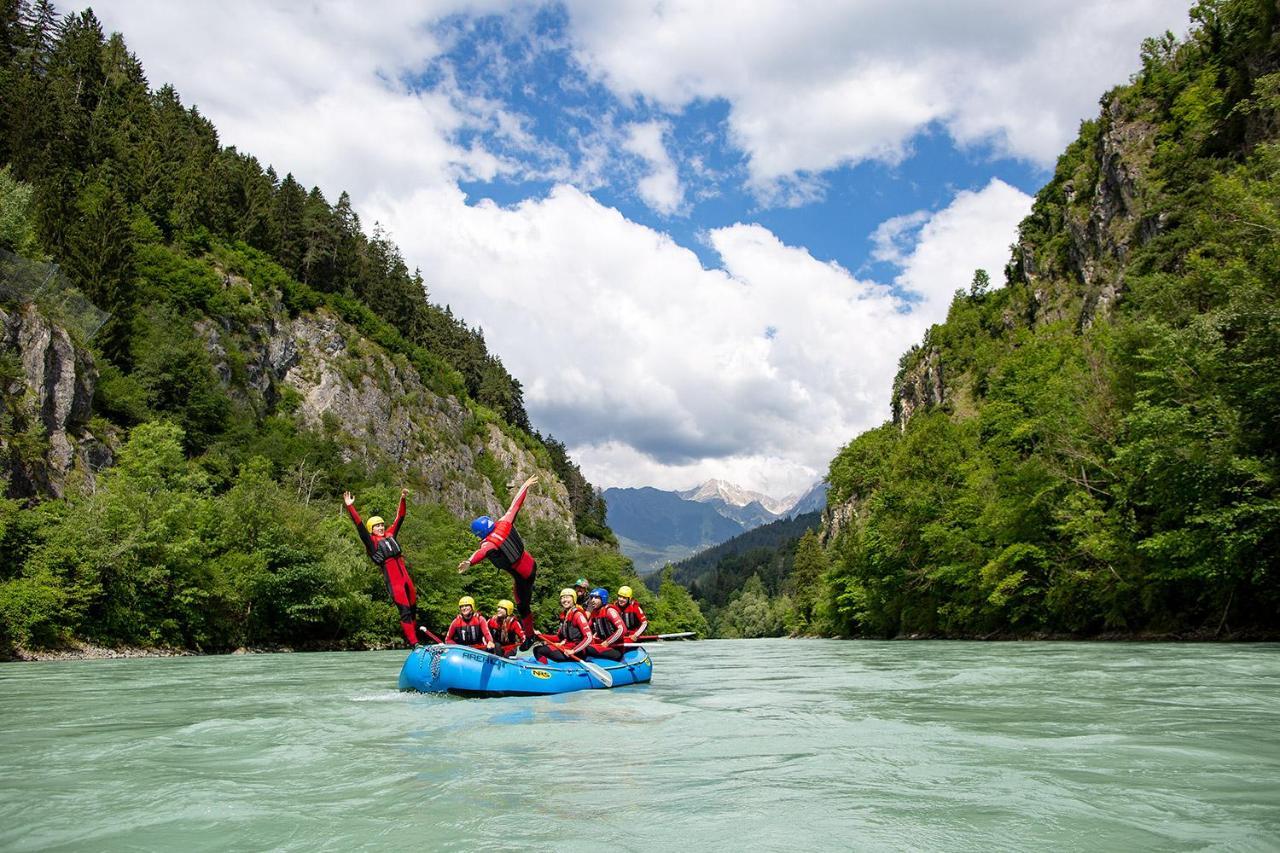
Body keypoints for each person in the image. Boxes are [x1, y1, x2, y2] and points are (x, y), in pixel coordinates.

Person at [458, 475, 540, 644]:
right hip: (532, 566)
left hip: (522, 578)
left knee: (522, 607)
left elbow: (481, 553)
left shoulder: (490, 543)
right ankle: (529, 633)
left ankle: (530, 636)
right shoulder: (504, 522)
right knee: (521, 600)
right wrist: (525, 486)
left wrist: (469, 562)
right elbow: (515, 505)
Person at [344, 488, 431, 646]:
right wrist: (350, 506)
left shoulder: (390, 535)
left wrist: (402, 498)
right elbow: (360, 527)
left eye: (382, 525)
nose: (381, 527)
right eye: (377, 526)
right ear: (372, 529)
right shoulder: (372, 543)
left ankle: (416, 639)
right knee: (404, 611)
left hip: (406, 578)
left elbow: (400, 517)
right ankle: (414, 643)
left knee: (413, 609)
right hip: (394, 582)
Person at [531, 589, 592, 663]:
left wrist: (573, 651)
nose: (565, 600)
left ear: (574, 599)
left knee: (539, 650)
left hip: (577, 652)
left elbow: (589, 637)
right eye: (563, 598)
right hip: (567, 647)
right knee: (537, 648)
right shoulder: (564, 616)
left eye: (567, 597)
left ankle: (546, 671)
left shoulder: (578, 615)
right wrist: (541, 635)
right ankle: (545, 668)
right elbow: (558, 637)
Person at [582, 587, 626, 661]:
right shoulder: (595, 612)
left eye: (596, 598)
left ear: (603, 599)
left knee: (586, 648)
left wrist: (607, 642)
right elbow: (587, 630)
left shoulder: (610, 611)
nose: (593, 600)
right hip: (602, 645)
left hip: (615, 648)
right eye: (592, 597)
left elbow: (622, 629)